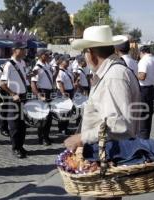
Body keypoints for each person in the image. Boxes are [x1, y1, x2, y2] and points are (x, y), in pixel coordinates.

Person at [65, 26, 141, 200]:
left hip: (108, 158)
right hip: (103, 157)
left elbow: (119, 125)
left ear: (90, 54)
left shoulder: (114, 76)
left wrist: (82, 138)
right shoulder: (109, 73)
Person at [0, 42, 28, 159]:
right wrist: (12, 94)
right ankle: (15, 148)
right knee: (15, 125)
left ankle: (21, 146)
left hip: (23, 96)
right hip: (14, 99)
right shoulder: (9, 65)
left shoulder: (22, 63)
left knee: (22, 125)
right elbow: (2, 83)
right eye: (22, 49)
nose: (24, 51)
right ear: (15, 50)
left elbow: (23, 79)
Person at [31, 49, 54, 146]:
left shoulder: (47, 65)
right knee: (43, 117)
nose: (49, 56)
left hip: (49, 92)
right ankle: (42, 137)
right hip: (42, 92)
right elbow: (33, 83)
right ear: (41, 56)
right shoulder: (37, 67)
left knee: (49, 117)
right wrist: (39, 95)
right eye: (46, 54)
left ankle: (46, 136)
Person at [137, 45, 154, 139]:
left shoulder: (144, 61)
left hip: (143, 89)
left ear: (142, 52)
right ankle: (146, 135)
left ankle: (142, 138)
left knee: (142, 114)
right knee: (148, 113)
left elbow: (142, 76)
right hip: (151, 88)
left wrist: (133, 75)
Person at [56, 55, 75, 135]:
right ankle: (61, 128)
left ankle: (65, 127)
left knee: (68, 112)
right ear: (61, 62)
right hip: (64, 92)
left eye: (68, 61)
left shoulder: (66, 70)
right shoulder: (60, 71)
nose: (68, 62)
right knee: (63, 112)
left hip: (69, 91)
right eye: (66, 61)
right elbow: (60, 83)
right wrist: (63, 93)